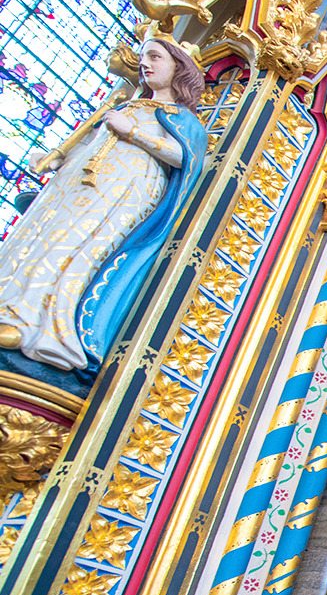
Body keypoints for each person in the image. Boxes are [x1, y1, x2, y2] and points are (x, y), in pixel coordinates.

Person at [0, 37, 206, 371]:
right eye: (143, 57)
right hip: (76, 183)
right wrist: (60, 158)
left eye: (155, 57)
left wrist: (132, 133)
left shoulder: (182, 119)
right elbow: (93, 141)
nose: (145, 64)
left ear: (179, 67)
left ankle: (38, 325)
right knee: (42, 235)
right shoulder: (126, 106)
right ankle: (8, 306)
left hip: (126, 189)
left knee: (79, 246)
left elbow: (184, 157)